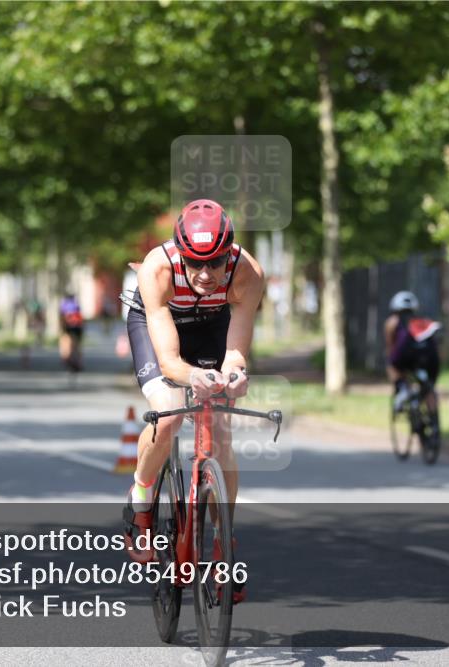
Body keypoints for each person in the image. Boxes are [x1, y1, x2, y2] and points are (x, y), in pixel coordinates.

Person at [123, 198, 265, 603]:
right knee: (167, 415)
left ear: (229, 254)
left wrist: (234, 375)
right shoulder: (158, 268)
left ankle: (223, 544)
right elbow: (168, 359)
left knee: (220, 431)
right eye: (195, 263)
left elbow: (235, 353)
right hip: (161, 324)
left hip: (213, 324)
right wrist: (194, 376)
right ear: (180, 255)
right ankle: (141, 499)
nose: (205, 274)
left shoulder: (248, 273)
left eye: (215, 263)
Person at [385, 291, 441, 419]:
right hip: (429, 359)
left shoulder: (392, 323)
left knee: (392, 365)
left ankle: (403, 390)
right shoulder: (424, 322)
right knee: (429, 388)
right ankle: (434, 425)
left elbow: (391, 348)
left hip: (405, 357)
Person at [59, 293, 84, 372]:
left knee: (66, 344)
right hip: (77, 328)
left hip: (67, 327)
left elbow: (62, 317)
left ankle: (68, 360)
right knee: (77, 346)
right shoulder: (76, 305)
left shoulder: (64, 305)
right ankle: (78, 362)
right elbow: (80, 318)